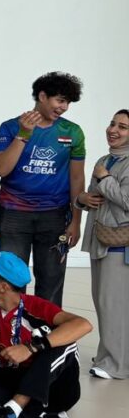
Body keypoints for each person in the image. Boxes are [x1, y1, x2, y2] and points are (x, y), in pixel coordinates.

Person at [0, 252, 92, 418]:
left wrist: (30, 348)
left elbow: (83, 324)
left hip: (52, 387)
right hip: (14, 376)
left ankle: (15, 409)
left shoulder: (36, 307)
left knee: (63, 342)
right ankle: (39, 417)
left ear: (3, 287)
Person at [0, 72, 85, 306]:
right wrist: (23, 135)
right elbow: (2, 169)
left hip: (55, 215)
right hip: (13, 214)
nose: (64, 107)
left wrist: (76, 221)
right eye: (60, 100)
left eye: (67, 102)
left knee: (51, 280)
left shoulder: (73, 132)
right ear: (42, 96)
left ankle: (46, 329)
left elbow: (77, 178)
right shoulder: (10, 127)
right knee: (10, 280)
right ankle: (10, 327)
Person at [77, 109, 129, 379]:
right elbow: (95, 199)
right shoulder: (105, 159)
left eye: (123, 127)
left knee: (113, 304)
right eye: (112, 124)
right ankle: (110, 354)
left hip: (120, 244)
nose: (114, 130)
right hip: (101, 240)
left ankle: (116, 365)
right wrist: (82, 200)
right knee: (104, 302)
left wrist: (105, 178)